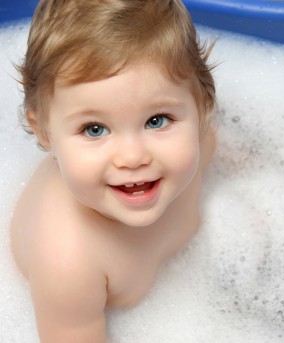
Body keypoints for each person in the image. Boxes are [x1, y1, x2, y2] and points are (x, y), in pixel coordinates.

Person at [10, 0, 216, 341]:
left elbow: (242, 157)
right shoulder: (67, 262)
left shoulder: (196, 146)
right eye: (94, 129)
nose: (133, 157)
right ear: (44, 132)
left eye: (156, 120)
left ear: (202, 107)